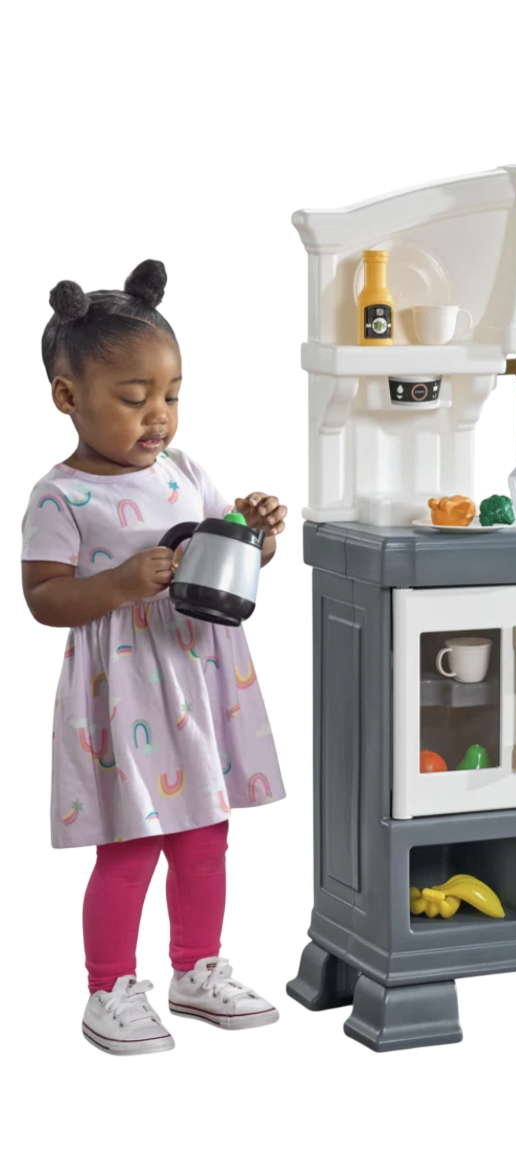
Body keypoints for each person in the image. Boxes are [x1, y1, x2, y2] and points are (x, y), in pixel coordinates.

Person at [22, 260, 288, 1052]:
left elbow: (231, 560)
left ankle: (196, 969)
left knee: (206, 837)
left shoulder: (186, 473)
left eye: (170, 396)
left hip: (200, 682)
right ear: (70, 397)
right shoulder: (60, 496)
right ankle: (108, 988)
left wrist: (259, 533)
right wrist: (121, 582)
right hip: (126, 694)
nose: (158, 417)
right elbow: (43, 600)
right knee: (131, 844)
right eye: (134, 399)